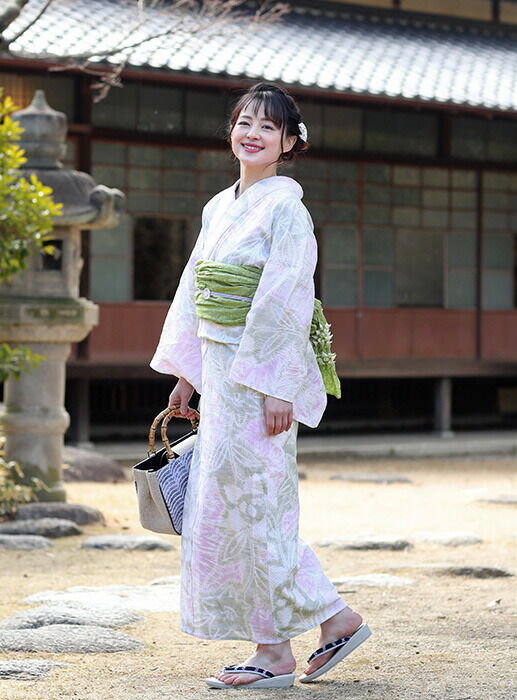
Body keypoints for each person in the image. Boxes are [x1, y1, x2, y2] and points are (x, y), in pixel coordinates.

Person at [149, 82, 370, 690]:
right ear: (232, 131)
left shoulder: (287, 211)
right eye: (244, 122)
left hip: (259, 379)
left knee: (259, 507)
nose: (252, 133)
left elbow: (286, 299)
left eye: (268, 127)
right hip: (220, 374)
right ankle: (325, 624)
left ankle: (283, 648)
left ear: (289, 143)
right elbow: (194, 287)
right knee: (228, 508)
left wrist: (279, 387)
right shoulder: (218, 208)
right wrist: (187, 375)